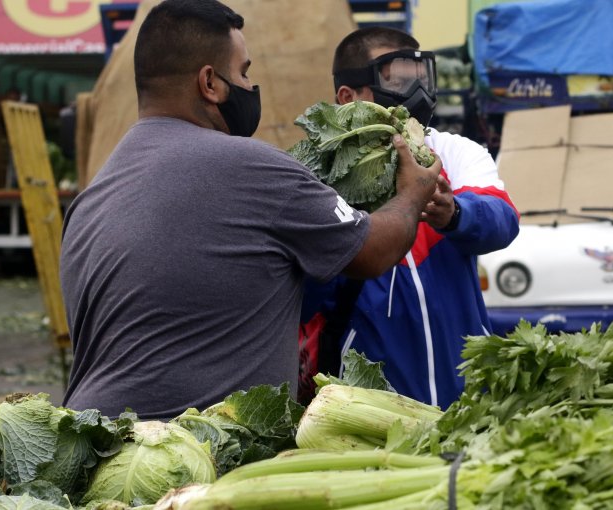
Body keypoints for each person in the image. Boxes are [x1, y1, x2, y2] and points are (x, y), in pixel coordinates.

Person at [58, 0, 441, 420]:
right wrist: (413, 193)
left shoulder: (93, 194)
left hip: (93, 442)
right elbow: (371, 249)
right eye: (243, 72)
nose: (248, 85)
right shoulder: (250, 166)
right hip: (199, 460)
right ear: (210, 83)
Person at [300, 27, 520, 408]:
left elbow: (502, 221)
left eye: (421, 79)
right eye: (397, 81)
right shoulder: (318, 176)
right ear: (348, 98)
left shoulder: (453, 151)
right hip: (368, 406)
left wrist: (455, 214)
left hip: (466, 393)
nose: (415, 93)